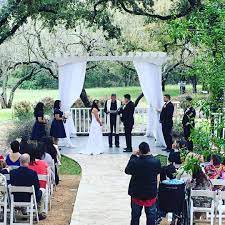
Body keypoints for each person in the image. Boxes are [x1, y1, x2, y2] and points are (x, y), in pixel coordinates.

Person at [125, 142, 161, 225]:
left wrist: (133, 156)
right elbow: (158, 174)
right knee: (151, 216)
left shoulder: (135, 162)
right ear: (149, 150)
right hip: (151, 193)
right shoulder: (156, 161)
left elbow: (127, 171)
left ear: (139, 151)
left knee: (135, 216)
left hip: (136, 193)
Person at [10, 154, 46, 220]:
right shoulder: (33, 173)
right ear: (29, 161)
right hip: (30, 198)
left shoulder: (12, 172)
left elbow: (11, 184)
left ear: (19, 160)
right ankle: (39, 212)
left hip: (15, 197)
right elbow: (37, 187)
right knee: (42, 191)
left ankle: (24, 212)